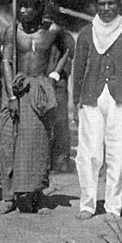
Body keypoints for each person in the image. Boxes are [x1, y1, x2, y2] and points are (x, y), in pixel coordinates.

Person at [0, 0, 70, 215]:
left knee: (37, 143)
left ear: (40, 7)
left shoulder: (52, 31)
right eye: (20, 5)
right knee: (8, 143)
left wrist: (54, 74)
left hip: (39, 91)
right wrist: (11, 95)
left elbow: (67, 50)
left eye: (29, 6)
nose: (23, 10)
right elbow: (5, 62)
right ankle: (8, 197)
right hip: (14, 88)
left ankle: (35, 195)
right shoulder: (12, 30)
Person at [73, 0, 122, 221]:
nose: (106, 8)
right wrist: (76, 102)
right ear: (96, 5)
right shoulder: (86, 33)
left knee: (117, 152)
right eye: (101, 3)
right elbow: (79, 67)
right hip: (91, 98)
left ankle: (113, 206)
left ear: (119, 5)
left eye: (111, 3)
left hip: (121, 99)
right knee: (89, 153)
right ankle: (87, 203)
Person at [47, 16, 76, 173]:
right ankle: (49, 159)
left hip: (59, 83)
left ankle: (63, 158)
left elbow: (71, 51)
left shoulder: (65, 37)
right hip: (45, 81)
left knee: (61, 120)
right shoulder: (43, 34)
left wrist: (58, 32)